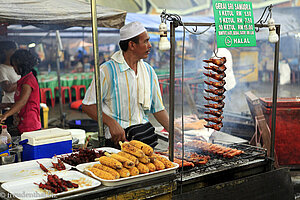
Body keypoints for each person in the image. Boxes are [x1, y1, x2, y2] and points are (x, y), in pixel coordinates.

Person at [82, 22, 171, 147]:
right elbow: (88, 105)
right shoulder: (107, 70)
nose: (149, 46)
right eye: (145, 41)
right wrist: (111, 123)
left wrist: (172, 130)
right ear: (132, 45)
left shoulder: (149, 71)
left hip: (144, 138)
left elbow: (158, 108)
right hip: (117, 140)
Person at [0, 49, 41, 134]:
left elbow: (22, 102)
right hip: (23, 123)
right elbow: (23, 103)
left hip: (30, 124)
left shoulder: (28, 81)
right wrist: (7, 105)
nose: (14, 69)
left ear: (22, 65)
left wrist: (5, 115)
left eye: (15, 66)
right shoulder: (22, 80)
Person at [0, 41, 20, 130]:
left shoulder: (17, 66)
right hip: (9, 107)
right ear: (5, 51)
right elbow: (7, 88)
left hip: (18, 106)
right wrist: (23, 81)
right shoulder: (2, 68)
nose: (16, 52)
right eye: (13, 50)